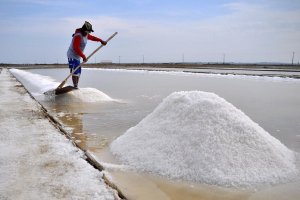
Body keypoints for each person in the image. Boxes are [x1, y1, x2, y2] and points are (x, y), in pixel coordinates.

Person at [67, 21, 107, 88]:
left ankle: (76, 86)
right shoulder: (78, 36)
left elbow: (93, 38)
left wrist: (101, 40)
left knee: (78, 71)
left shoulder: (86, 35)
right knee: (74, 70)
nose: (89, 33)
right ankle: (75, 86)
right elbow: (76, 48)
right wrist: (83, 56)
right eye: (89, 31)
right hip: (72, 55)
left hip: (78, 56)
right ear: (85, 30)